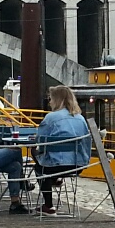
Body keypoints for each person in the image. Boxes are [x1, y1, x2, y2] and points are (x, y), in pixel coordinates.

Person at [32, 85, 93, 214]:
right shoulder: (80, 118)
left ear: (57, 100)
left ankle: (48, 205)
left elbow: (40, 141)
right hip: (77, 165)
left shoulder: (51, 117)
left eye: (51, 99)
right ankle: (55, 179)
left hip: (55, 164)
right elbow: (86, 142)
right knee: (45, 162)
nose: (49, 102)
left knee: (38, 162)